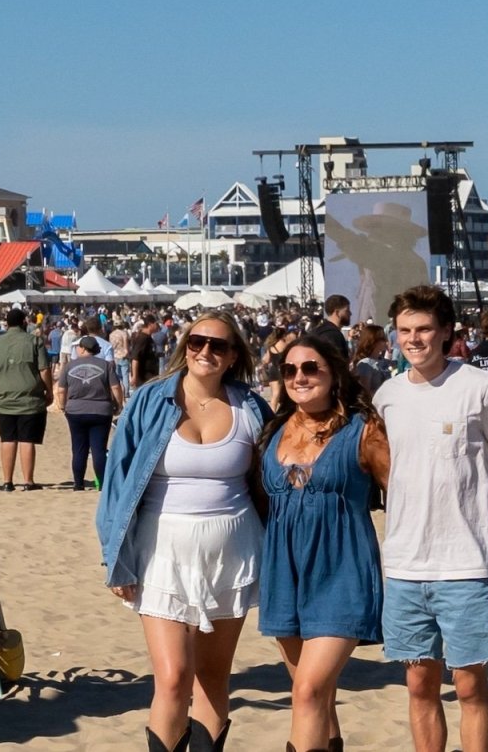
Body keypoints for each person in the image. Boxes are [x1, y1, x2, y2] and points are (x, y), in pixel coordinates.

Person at [97, 310, 271, 752]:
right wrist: (115, 558)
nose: (206, 352)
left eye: (218, 345)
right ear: (184, 347)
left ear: (234, 355)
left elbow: (274, 476)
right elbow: (116, 481)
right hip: (160, 549)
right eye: (197, 342)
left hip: (235, 550)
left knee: (213, 678)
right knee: (173, 677)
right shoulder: (151, 399)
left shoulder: (250, 407)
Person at [374, 286, 488, 752]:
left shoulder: (478, 385)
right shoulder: (387, 395)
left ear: (447, 332)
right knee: (419, 687)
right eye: (405, 330)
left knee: (471, 686)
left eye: (424, 329)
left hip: (465, 562)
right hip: (405, 564)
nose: (414, 339)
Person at [259, 334, 389, 752]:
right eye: (290, 369)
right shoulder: (275, 429)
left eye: (311, 367)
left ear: (334, 373)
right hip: (284, 573)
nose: (300, 377)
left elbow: (404, 497)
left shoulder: (364, 431)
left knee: (307, 693)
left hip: (342, 571)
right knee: (317, 695)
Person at [0, 307, 52, 492]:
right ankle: (28, 481)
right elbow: (44, 370)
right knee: (27, 440)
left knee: (7, 439)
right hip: (30, 398)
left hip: (3, 398)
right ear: (24, 322)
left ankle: (7, 481)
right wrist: (49, 391)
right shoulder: (34, 341)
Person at [56, 335, 125, 490]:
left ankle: (78, 483)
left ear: (82, 348)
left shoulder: (69, 366)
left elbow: (61, 390)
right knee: (98, 448)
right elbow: (116, 387)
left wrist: (62, 405)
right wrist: (118, 405)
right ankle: (102, 483)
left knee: (78, 447)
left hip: (75, 410)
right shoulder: (106, 366)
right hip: (101, 410)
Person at [350, 324, 392, 398]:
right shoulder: (365, 364)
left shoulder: (382, 361)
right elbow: (365, 392)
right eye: (382, 339)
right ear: (373, 341)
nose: (386, 341)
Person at [309, 295, 351, 361]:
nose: (350, 313)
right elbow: (336, 364)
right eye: (347, 311)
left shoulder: (319, 331)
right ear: (337, 313)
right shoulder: (333, 335)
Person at [130, 314, 162, 393]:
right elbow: (135, 358)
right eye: (156, 324)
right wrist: (134, 376)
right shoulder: (142, 339)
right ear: (150, 325)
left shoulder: (149, 337)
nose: (157, 326)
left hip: (151, 376)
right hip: (144, 377)